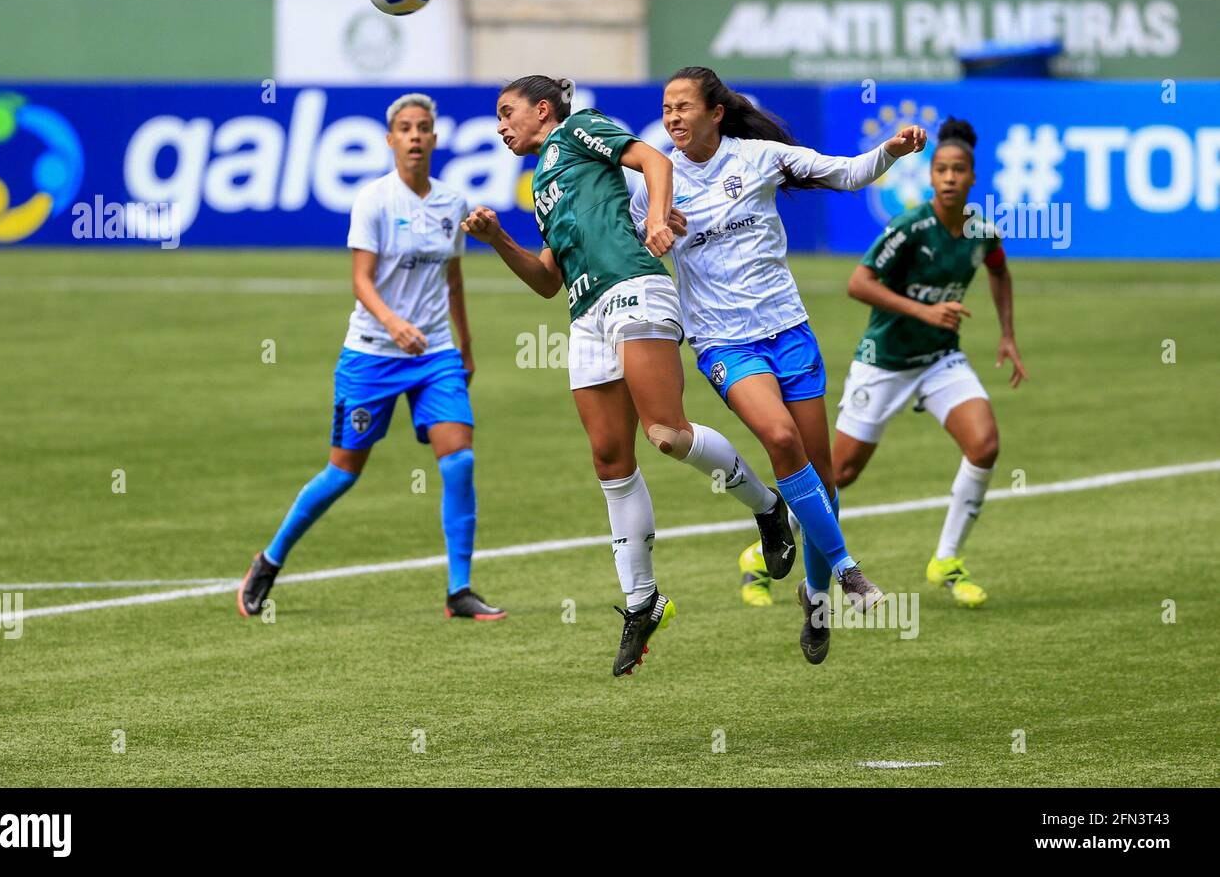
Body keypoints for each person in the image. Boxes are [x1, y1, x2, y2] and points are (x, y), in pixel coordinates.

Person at [462, 75, 794, 677]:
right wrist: (496, 239)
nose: (501, 125)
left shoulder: (580, 127)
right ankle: (643, 602)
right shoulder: (540, 182)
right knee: (610, 463)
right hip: (586, 315)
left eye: (507, 113)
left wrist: (659, 221)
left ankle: (769, 507)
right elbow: (546, 280)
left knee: (665, 433)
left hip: (635, 288)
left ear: (543, 110)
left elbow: (651, 162)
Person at [632, 66, 926, 664]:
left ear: (716, 112)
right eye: (666, 108)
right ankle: (849, 572)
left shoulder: (759, 156)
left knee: (823, 478)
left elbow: (844, 173)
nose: (673, 118)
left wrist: (889, 152)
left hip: (788, 331)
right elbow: (642, 236)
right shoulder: (657, 180)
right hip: (723, 342)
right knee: (777, 436)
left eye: (684, 106)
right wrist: (657, 231)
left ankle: (815, 600)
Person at [238, 93, 505, 621]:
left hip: (435, 355)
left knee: (460, 460)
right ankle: (268, 561)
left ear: (433, 138)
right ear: (390, 140)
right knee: (342, 473)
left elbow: (453, 279)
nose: (413, 136)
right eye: (404, 128)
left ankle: (459, 589)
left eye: (422, 127)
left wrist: (466, 348)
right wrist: (393, 324)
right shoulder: (374, 200)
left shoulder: (453, 203)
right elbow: (361, 280)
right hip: (371, 355)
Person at [833, 116, 1028, 609]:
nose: (948, 177)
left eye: (958, 169)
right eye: (940, 169)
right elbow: (858, 283)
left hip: (940, 359)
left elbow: (999, 271)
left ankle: (946, 559)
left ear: (972, 178)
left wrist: (1007, 334)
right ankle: (768, 545)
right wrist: (925, 310)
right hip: (885, 361)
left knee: (984, 445)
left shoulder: (980, 231)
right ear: (930, 174)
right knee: (840, 472)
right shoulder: (910, 226)